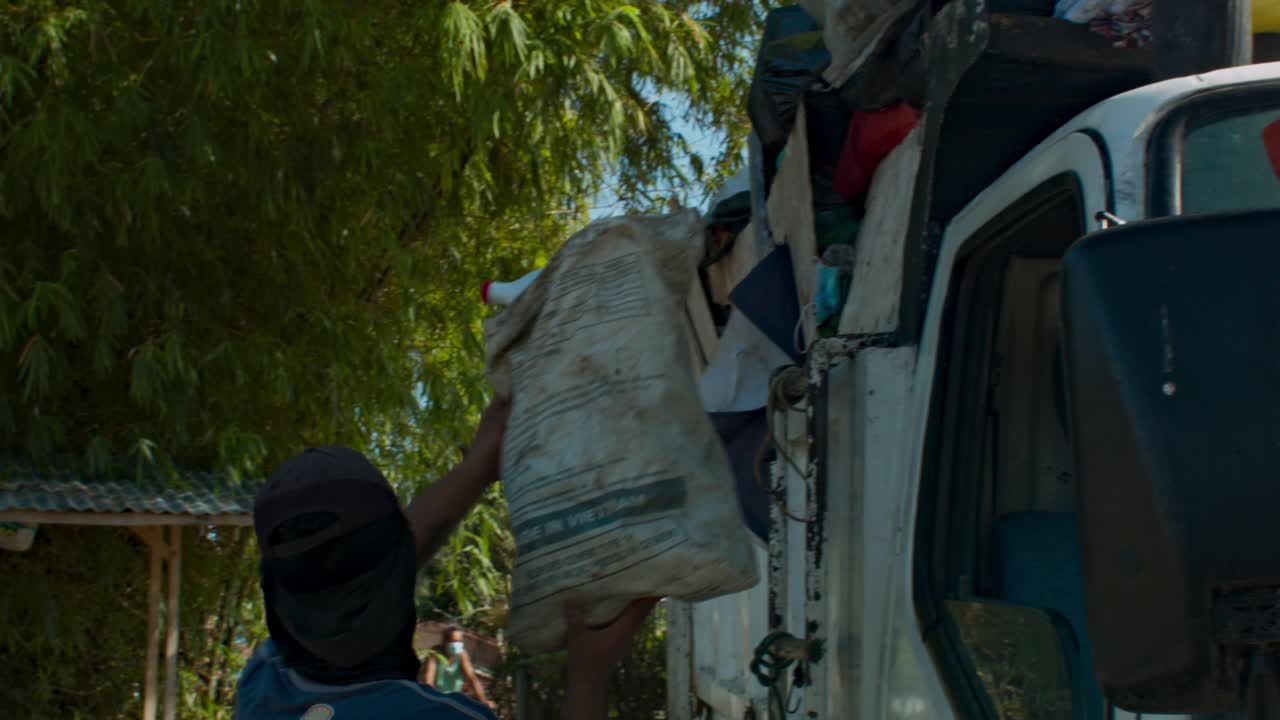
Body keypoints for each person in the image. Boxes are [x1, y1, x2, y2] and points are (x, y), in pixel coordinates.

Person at [233, 398, 657, 719]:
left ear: (275, 592)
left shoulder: (264, 684)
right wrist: (588, 680)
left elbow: (350, 574)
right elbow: (381, 562)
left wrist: (477, 467)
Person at [424, 627, 492, 709]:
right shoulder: (435, 654)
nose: (457, 644)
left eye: (459, 641)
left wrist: (484, 701)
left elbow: (472, 679)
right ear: (445, 641)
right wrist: (429, 698)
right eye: (453, 641)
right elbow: (429, 678)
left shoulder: (462, 655)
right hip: (435, 698)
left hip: (454, 701)